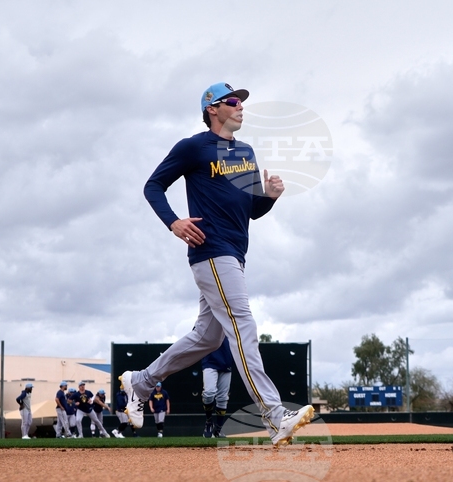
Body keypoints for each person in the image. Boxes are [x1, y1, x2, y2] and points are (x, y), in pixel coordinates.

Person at [118, 82, 315, 448]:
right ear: (213, 108)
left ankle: (141, 381)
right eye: (233, 101)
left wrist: (270, 196)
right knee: (243, 325)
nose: (241, 107)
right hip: (211, 250)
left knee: (207, 337)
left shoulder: (246, 151)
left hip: (235, 253)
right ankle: (274, 415)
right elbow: (153, 186)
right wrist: (174, 222)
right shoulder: (194, 147)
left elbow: (251, 210)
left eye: (241, 101)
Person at [201, 338, 233, 437]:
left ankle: (218, 429)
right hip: (209, 360)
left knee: (223, 398)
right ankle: (209, 422)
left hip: (226, 360)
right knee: (209, 393)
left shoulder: (233, 323)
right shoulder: (207, 321)